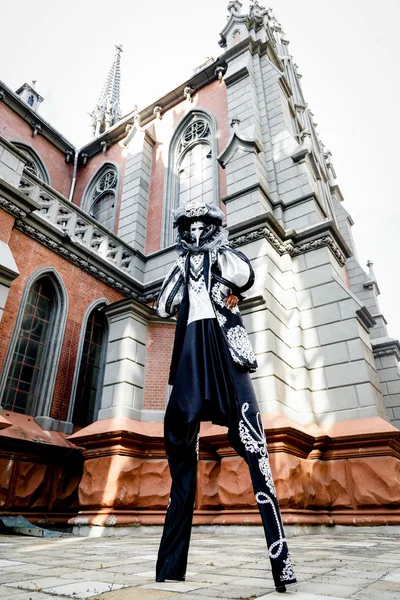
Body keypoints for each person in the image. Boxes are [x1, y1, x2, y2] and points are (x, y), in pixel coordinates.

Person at [155, 200, 296, 593]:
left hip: (225, 350)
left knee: (256, 449)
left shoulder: (224, 256)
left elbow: (246, 276)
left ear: (213, 228)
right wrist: (183, 275)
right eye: (190, 228)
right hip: (189, 355)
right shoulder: (179, 267)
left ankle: (281, 566)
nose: (196, 233)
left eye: (203, 226)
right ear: (184, 232)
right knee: (178, 444)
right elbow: (164, 306)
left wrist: (222, 272)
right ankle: (169, 568)